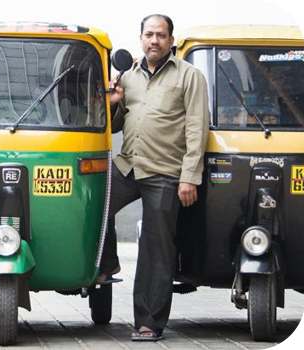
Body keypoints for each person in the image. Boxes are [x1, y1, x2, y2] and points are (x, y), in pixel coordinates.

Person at [101, 14, 209, 341]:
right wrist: (113, 104)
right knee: (92, 203)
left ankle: (148, 322)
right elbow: (117, 125)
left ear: (171, 40)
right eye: (149, 35)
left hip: (165, 172)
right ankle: (108, 262)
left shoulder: (190, 77)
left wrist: (189, 177)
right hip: (128, 166)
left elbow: (196, 129)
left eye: (161, 36)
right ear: (140, 38)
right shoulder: (129, 76)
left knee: (155, 248)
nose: (154, 41)